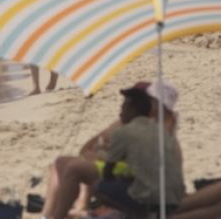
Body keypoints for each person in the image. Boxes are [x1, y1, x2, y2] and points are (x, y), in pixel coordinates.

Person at [44, 82, 184, 219]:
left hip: (146, 193)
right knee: (64, 164)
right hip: (143, 185)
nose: (121, 110)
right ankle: (49, 215)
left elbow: (120, 168)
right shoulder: (151, 126)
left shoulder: (156, 130)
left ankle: (63, 214)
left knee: (79, 172)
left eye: (125, 106)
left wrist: (103, 158)